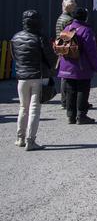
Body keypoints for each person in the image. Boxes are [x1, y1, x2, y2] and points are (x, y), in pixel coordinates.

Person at [11, 10, 57, 150]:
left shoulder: (16, 37)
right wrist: (53, 68)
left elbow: (15, 57)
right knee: (34, 109)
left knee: (23, 107)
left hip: (22, 77)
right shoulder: (40, 37)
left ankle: (20, 138)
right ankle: (31, 141)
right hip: (38, 76)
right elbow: (50, 58)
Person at [58, 8, 97, 125]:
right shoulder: (86, 30)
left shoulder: (67, 28)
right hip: (81, 66)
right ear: (85, 17)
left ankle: (70, 116)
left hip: (66, 65)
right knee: (82, 90)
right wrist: (96, 66)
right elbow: (91, 51)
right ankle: (81, 115)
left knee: (70, 91)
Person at [55, 0, 77, 109]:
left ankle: (64, 100)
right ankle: (66, 101)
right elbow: (72, 35)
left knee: (64, 75)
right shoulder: (69, 20)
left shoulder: (60, 18)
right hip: (67, 48)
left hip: (60, 47)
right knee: (68, 76)